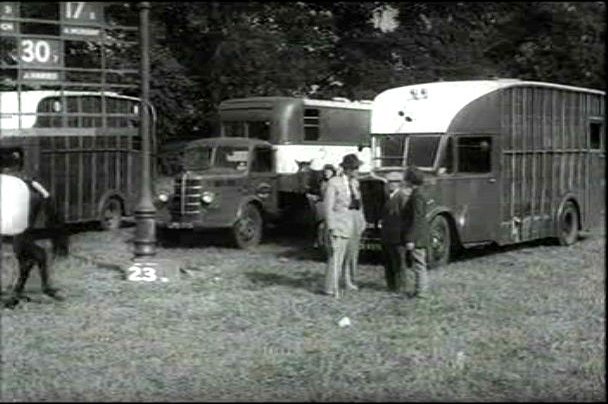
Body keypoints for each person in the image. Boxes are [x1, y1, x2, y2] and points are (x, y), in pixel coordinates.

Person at [380, 166, 430, 298]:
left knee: (419, 264)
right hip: (416, 235)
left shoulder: (416, 195)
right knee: (417, 263)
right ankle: (420, 290)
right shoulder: (417, 193)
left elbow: (417, 219)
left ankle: (421, 291)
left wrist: (410, 239)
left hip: (416, 236)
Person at [323, 154, 366, 298]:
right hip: (340, 222)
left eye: (357, 168)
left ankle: (347, 281)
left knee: (350, 255)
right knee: (336, 255)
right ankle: (331, 287)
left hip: (353, 222)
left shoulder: (355, 183)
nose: (357, 171)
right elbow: (328, 207)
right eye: (355, 168)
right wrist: (331, 226)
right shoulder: (334, 183)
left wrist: (362, 220)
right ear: (347, 169)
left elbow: (359, 205)